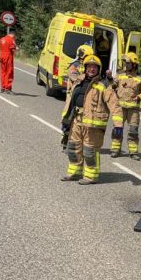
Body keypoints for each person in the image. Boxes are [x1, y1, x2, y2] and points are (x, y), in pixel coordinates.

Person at [60, 55, 123, 185]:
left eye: (95, 67)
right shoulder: (78, 82)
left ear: (98, 69)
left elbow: (115, 105)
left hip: (93, 125)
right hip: (76, 120)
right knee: (73, 147)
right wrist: (65, 120)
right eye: (89, 66)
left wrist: (118, 125)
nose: (92, 69)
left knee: (90, 151)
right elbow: (69, 102)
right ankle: (74, 172)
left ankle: (91, 176)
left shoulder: (103, 85)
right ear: (85, 68)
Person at [109, 52, 141, 160]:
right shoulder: (120, 75)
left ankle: (133, 152)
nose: (126, 65)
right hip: (120, 109)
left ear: (134, 65)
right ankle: (115, 150)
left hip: (133, 110)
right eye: (125, 63)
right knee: (117, 129)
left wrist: (139, 97)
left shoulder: (140, 78)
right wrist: (110, 80)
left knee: (133, 131)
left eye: (128, 63)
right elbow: (113, 86)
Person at [60, 44, 94, 151]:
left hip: (84, 97)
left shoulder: (88, 66)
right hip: (72, 97)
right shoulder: (75, 66)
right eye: (87, 56)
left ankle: (79, 142)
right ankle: (65, 138)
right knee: (68, 119)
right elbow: (74, 77)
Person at [0, 29, 17, 93]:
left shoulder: (2, 39)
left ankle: (3, 87)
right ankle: (8, 88)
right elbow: (13, 50)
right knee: (9, 72)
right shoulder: (11, 40)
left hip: (2, 56)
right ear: (13, 35)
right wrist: (16, 49)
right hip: (8, 56)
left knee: (3, 72)